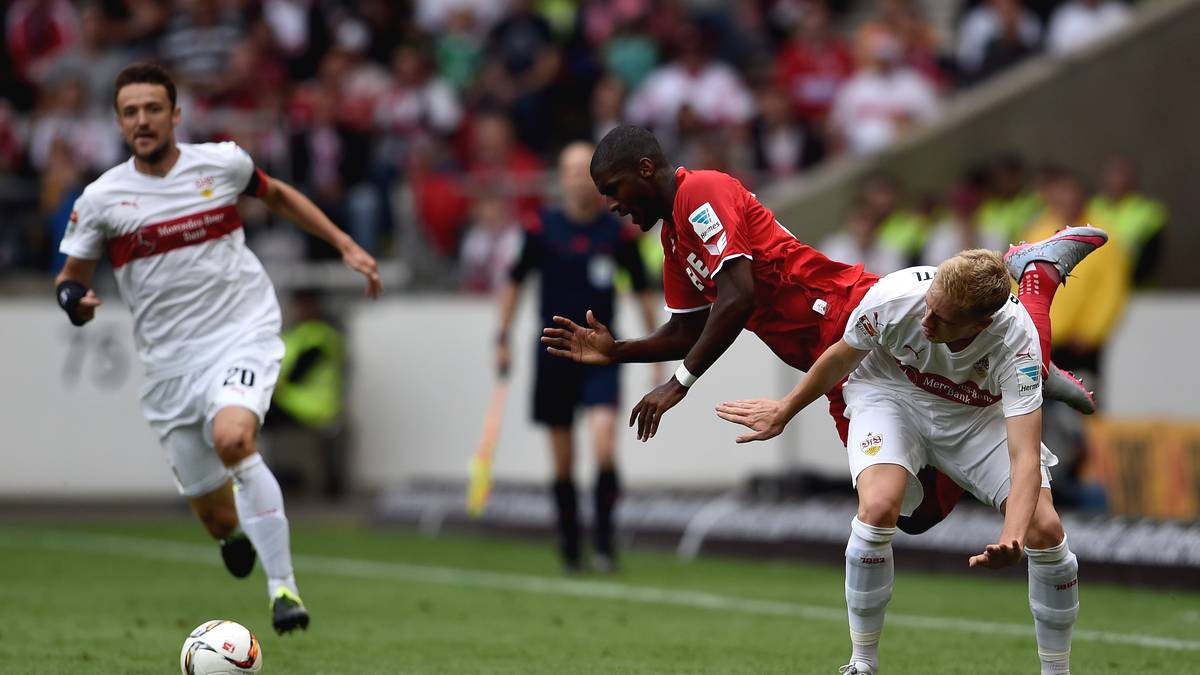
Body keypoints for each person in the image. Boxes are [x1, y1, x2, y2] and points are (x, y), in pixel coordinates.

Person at [541, 124, 1097, 528]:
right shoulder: (672, 240)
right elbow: (688, 329)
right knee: (913, 514)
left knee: (980, 338)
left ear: (644, 170)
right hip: (835, 365)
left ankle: (1034, 281)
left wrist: (677, 384)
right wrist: (619, 352)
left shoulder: (700, 194)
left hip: (848, 313)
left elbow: (738, 297)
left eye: (613, 189)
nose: (613, 205)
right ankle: (1028, 369)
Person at [54, 63, 382, 634]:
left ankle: (284, 590)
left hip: (241, 330)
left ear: (175, 115)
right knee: (215, 518)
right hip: (168, 366)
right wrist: (74, 302)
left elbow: (276, 194)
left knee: (234, 438)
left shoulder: (222, 163)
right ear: (119, 122)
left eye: (153, 109)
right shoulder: (102, 199)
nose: (143, 121)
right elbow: (70, 276)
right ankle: (232, 536)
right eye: (130, 112)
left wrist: (344, 243)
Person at [716, 240, 1106, 675]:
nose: (926, 320)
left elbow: (1025, 457)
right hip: (890, 392)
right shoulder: (897, 295)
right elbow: (840, 357)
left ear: (982, 322)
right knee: (880, 505)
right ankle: (862, 663)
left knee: (1046, 529)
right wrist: (784, 409)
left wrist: (1012, 537)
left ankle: (1057, 671)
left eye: (942, 318)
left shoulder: (1016, 347)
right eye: (929, 305)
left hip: (973, 414)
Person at [495, 141, 659, 573]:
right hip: (553, 352)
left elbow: (643, 290)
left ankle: (605, 545)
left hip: (602, 353)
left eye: (584, 172)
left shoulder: (617, 231)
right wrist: (502, 336)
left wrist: (657, 349)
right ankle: (571, 545)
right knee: (564, 459)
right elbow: (513, 281)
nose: (578, 180)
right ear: (560, 178)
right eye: (569, 170)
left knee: (604, 445)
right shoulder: (539, 227)